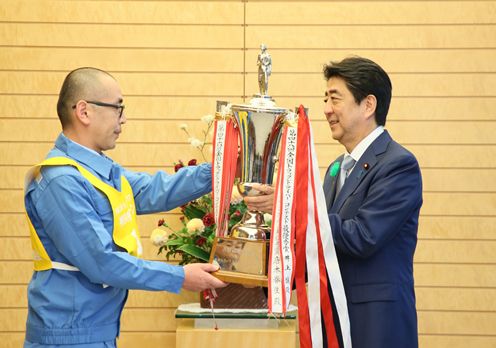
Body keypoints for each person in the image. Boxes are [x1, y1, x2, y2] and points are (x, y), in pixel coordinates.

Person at [24, 67, 226, 347]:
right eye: (118, 109)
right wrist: (179, 276)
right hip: (69, 338)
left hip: (97, 333)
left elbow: (155, 190)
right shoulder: (61, 181)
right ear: (84, 112)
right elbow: (100, 262)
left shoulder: (98, 172)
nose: (124, 119)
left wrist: (219, 169)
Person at [245, 56, 422, 348]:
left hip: (375, 323)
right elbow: (318, 243)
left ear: (368, 105)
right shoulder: (336, 168)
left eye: (335, 98)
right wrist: (268, 273)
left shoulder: (398, 165)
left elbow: (364, 236)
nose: (326, 109)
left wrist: (291, 204)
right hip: (330, 323)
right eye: (325, 98)